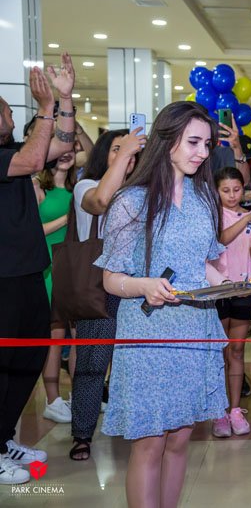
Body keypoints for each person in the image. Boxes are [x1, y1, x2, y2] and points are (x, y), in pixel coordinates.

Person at [95, 101, 229, 507]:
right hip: (148, 332)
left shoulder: (204, 198)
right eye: (193, 142)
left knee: (180, 440)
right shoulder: (131, 201)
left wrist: (234, 285)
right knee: (150, 443)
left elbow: (202, 265)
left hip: (195, 331)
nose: (202, 153)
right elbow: (110, 278)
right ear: (166, 140)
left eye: (207, 144)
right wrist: (143, 285)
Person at [0, 55, 76, 485]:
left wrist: (64, 98)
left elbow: (62, 146)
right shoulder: (12, 160)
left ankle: (2, 438)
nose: (12, 116)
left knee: (28, 359)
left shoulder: (11, 152)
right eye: (7, 112)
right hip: (3, 279)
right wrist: (46, 107)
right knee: (3, 363)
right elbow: (33, 162)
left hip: (30, 274)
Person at [69, 127, 145, 461]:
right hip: (99, 287)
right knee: (92, 363)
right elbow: (100, 202)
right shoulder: (86, 185)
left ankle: (133, 425)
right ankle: (82, 433)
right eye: (117, 148)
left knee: (134, 362)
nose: (126, 155)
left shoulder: (143, 191)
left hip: (137, 285)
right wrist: (125, 154)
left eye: (131, 151)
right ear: (104, 154)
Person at [210, 167, 251, 438]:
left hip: (243, 291)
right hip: (218, 291)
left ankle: (235, 409)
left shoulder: (250, 216)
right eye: (226, 190)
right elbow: (221, 239)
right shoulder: (212, 215)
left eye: (237, 189)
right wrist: (246, 219)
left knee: (236, 351)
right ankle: (219, 411)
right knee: (220, 352)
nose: (232, 195)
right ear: (216, 191)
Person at [34, 148, 77, 424]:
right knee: (55, 336)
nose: (66, 155)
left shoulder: (78, 187)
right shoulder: (37, 187)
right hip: (48, 266)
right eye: (60, 151)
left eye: (70, 150)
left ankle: (80, 395)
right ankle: (52, 400)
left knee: (78, 336)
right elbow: (31, 230)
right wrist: (67, 218)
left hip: (74, 265)